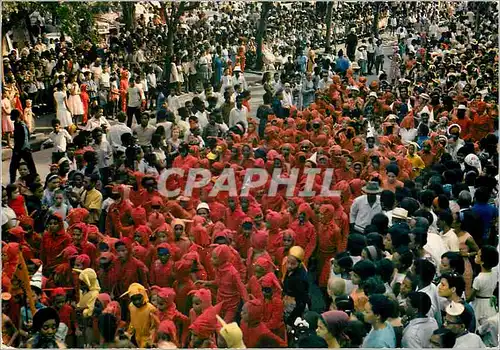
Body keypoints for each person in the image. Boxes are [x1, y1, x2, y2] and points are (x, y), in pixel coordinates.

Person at [9, 109, 37, 184]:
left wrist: (18, 150)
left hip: (24, 149)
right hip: (18, 148)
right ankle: (12, 181)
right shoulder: (16, 124)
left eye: (12, 115)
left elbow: (25, 137)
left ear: (16, 116)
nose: (10, 117)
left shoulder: (22, 125)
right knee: (13, 167)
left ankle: (34, 180)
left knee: (30, 166)